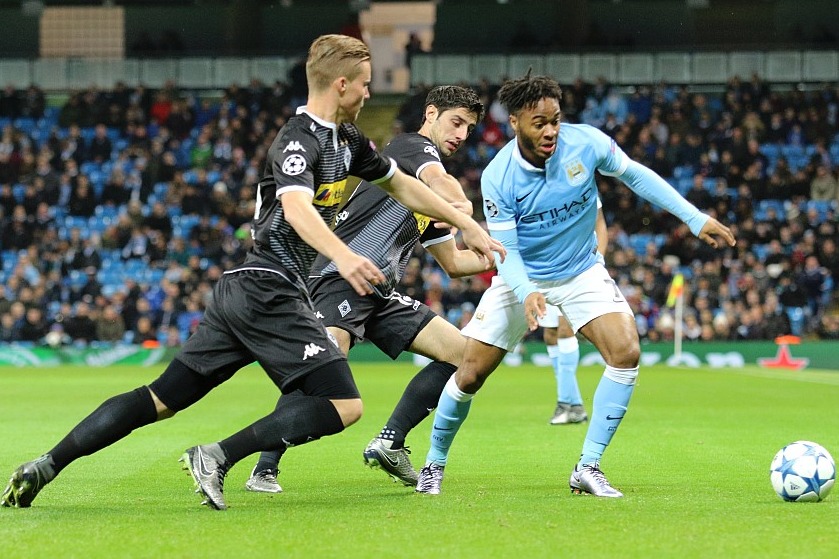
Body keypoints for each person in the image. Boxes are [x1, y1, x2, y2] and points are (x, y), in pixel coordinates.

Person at [1, 34, 504, 511]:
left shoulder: (349, 141)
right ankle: (217, 456)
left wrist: (467, 224)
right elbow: (298, 209)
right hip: (272, 288)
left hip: (245, 292)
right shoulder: (297, 140)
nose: (372, 92)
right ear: (342, 84)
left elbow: (405, 187)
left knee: (161, 399)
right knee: (344, 404)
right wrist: (345, 256)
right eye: (367, 83)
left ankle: (47, 464)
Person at [415, 73, 735, 498]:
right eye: (539, 122)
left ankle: (588, 466)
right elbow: (505, 248)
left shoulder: (586, 143)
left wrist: (694, 218)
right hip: (521, 274)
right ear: (514, 122)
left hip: (582, 269)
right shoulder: (499, 176)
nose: (550, 131)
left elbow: (637, 176)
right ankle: (433, 464)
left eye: (555, 120)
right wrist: (528, 290)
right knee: (470, 373)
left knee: (626, 351)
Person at [243, 84, 489, 493]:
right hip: (340, 278)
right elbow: (443, 184)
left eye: (468, 128)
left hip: (378, 292)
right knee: (321, 373)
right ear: (431, 114)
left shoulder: (424, 202)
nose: (462, 134)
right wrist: (466, 214)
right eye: (456, 122)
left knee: (464, 357)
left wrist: (497, 254)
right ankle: (264, 465)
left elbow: (454, 264)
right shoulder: (413, 148)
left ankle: (390, 442)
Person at [544, 203, 607, 426]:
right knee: (550, 334)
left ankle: (565, 403)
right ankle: (575, 405)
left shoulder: (581, 183)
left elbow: (600, 222)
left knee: (565, 330)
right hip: (546, 267)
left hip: (576, 270)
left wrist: (599, 258)